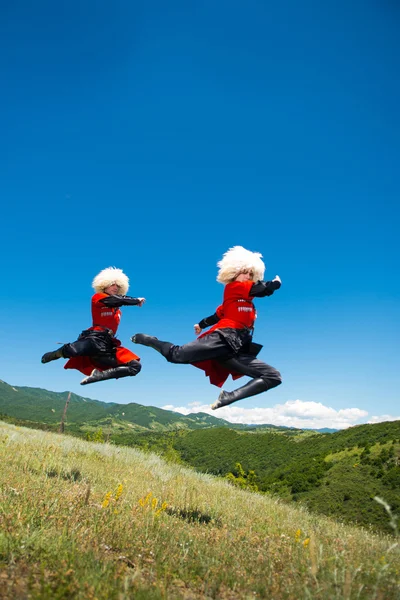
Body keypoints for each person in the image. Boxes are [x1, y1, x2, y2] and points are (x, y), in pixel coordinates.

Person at [131, 246, 282, 409]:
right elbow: (261, 289)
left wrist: (200, 325)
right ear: (234, 273)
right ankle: (148, 340)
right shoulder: (233, 287)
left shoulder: (241, 303)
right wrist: (273, 285)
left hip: (237, 348)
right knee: (176, 355)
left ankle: (229, 396)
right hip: (223, 337)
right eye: (245, 272)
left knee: (273, 376)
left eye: (251, 274)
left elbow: (216, 316)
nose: (248, 277)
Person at [41, 267, 146, 385]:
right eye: (112, 284)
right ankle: (53, 354)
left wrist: (130, 301)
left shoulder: (118, 310)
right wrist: (135, 300)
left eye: (118, 286)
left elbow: (117, 302)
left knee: (135, 366)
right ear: (104, 285)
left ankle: (99, 375)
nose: (116, 287)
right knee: (72, 350)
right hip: (95, 338)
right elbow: (113, 300)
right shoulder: (98, 297)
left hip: (108, 344)